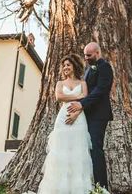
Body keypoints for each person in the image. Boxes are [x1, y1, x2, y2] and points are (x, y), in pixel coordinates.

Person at [30, 54, 95, 194]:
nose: (65, 67)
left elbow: (86, 98)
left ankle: (78, 188)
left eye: (68, 65)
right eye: (64, 65)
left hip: (79, 118)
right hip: (63, 119)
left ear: (74, 66)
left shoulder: (82, 83)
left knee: (78, 151)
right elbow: (59, 97)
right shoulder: (60, 83)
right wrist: (78, 97)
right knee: (61, 151)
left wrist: (77, 110)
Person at [66, 42, 113, 191]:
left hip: (99, 115)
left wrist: (82, 104)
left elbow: (100, 90)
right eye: (85, 55)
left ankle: (102, 188)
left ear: (97, 53)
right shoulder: (87, 70)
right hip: (86, 115)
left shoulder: (104, 67)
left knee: (95, 149)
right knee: (86, 149)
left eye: (89, 55)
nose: (85, 58)